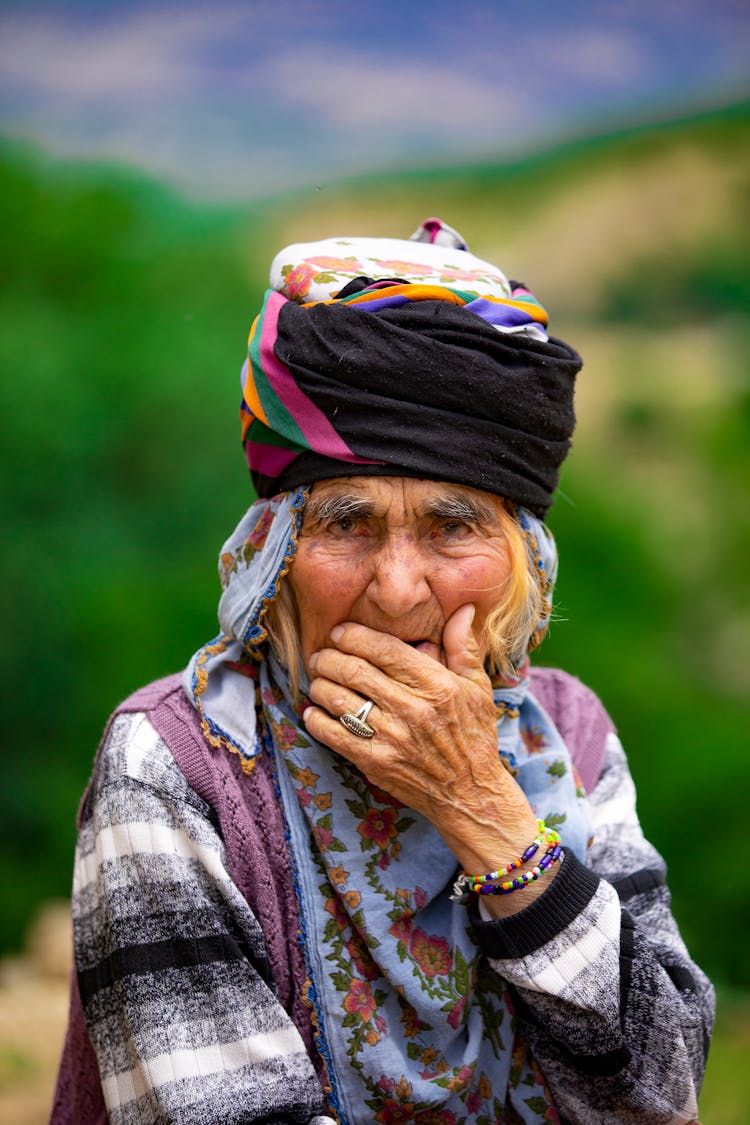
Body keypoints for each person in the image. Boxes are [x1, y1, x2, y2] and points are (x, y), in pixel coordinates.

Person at [53, 219, 713, 1124]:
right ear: (272, 555)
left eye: (452, 526)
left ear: (525, 561)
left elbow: (664, 1090)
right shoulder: (177, 763)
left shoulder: (568, 733)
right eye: (347, 523)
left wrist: (483, 808)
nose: (399, 591)